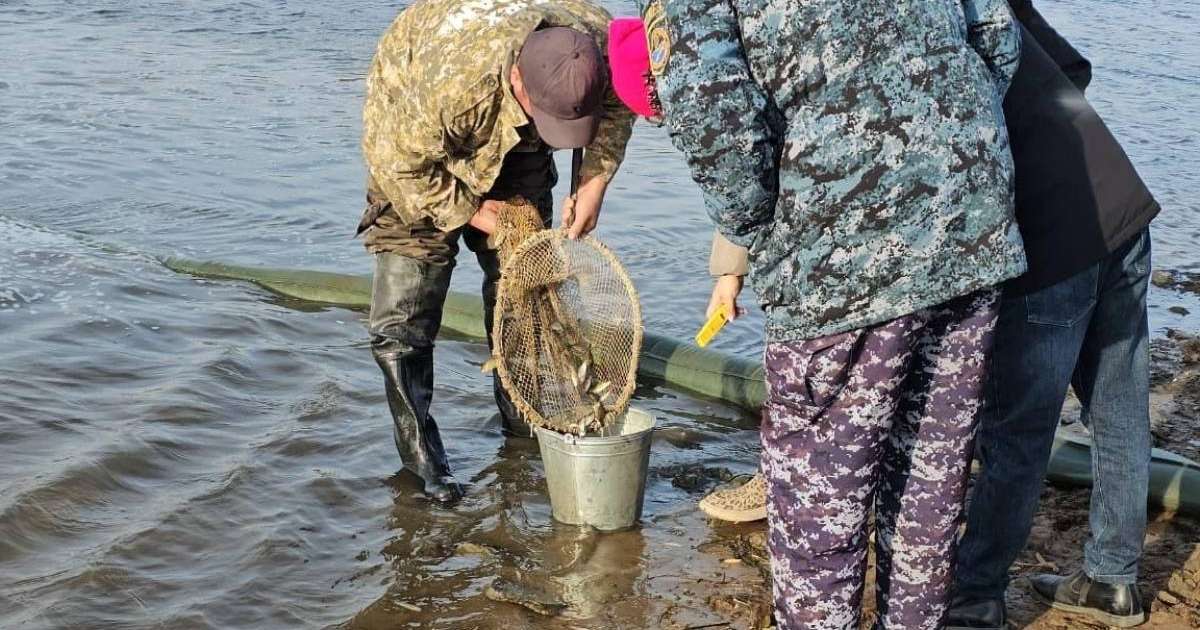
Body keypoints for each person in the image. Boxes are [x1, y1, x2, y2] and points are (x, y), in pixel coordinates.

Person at [616, 1, 1025, 626]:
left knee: (819, 503)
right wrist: (937, 145)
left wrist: (756, 226)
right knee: (928, 483)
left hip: (837, 253)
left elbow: (710, 108)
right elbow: (996, 33)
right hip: (969, 221)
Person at [358, 0, 634, 503]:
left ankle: (523, 431)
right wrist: (482, 213)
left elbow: (617, 110)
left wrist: (594, 185)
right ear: (518, 82)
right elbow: (399, 165)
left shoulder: (598, 51)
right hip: (419, 147)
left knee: (526, 291)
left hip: (517, 138)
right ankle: (424, 461)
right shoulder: (449, 85)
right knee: (404, 320)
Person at [946, 2, 1160, 628]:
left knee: (1018, 429)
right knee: (1119, 407)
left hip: (1053, 240)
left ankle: (977, 592)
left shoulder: (911, 23)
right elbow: (1074, 66)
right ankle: (1112, 581)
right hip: (1117, 203)